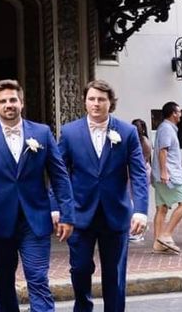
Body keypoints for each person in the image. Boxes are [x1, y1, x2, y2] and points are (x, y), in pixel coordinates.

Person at [0, 79, 74, 312]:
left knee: (37, 278)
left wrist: (67, 214)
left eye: (13, 100)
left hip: (35, 220)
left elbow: (59, 176)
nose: (8, 104)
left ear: (21, 103)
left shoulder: (41, 133)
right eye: (3, 101)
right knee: (3, 283)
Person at [56, 80, 149, 312]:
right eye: (92, 99)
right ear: (85, 102)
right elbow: (58, 174)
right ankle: (83, 306)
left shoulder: (127, 132)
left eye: (101, 99)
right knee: (79, 269)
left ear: (110, 103)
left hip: (116, 214)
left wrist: (140, 210)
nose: (96, 104)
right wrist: (57, 207)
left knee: (115, 274)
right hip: (80, 214)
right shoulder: (69, 132)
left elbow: (138, 174)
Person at [151, 101, 182, 254]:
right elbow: (162, 151)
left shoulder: (166, 128)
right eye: (179, 112)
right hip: (169, 176)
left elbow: (171, 154)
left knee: (162, 208)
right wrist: (165, 172)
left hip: (164, 174)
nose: (180, 115)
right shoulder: (166, 129)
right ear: (173, 113)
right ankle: (166, 234)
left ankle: (158, 244)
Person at [128, 119, 153, 243]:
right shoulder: (134, 140)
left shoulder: (144, 141)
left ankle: (138, 230)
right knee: (132, 200)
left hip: (140, 173)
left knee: (137, 200)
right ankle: (135, 229)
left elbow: (144, 161)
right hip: (133, 173)